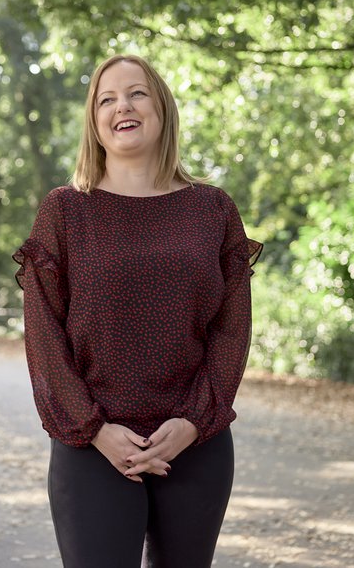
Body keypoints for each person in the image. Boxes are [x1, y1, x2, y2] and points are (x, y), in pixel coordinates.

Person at [13, 54, 262, 568]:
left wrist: (193, 422)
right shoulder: (65, 210)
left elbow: (231, 331)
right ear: (95, 122)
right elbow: (43, 336)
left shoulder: (213, 209)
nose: (122, 106)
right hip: (93, 446)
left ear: (162, 108)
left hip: (194, 443)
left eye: (137, 93)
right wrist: (93, 428)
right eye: (107, 99)